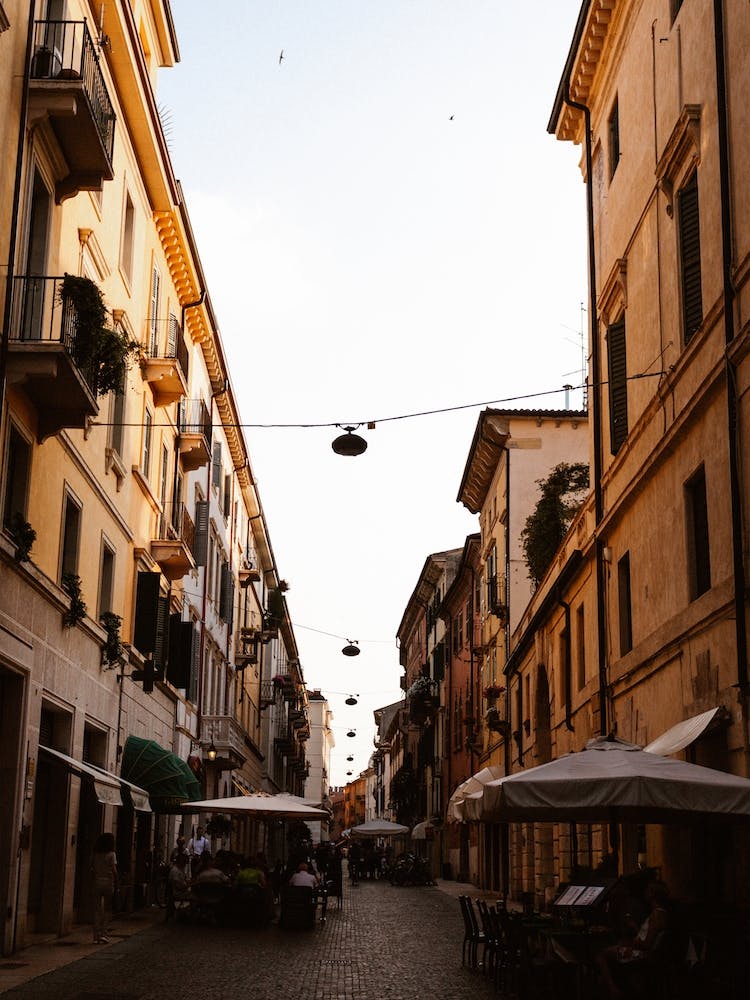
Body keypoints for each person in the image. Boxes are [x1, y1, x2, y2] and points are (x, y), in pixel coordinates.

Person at [596, 880, 670, 999]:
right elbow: (645, 935)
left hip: (641, 954)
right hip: (641, 951)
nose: (645, 892)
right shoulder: (659, 913)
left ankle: (613, 989)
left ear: (652, 894)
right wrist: (634, 927)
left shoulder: (656, 915)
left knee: (601, 955)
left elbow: (647, 943)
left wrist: (629, 943)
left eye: (648, 890)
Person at [91, 832, 118, 944]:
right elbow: (114, 870)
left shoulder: (95, 854)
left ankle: (96, 935)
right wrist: (117, 881)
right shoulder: (112, 854)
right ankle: (104, 934)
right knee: (107, 909)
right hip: (108, 883)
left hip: (97, 882)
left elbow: (91, 868)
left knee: (97, 910)